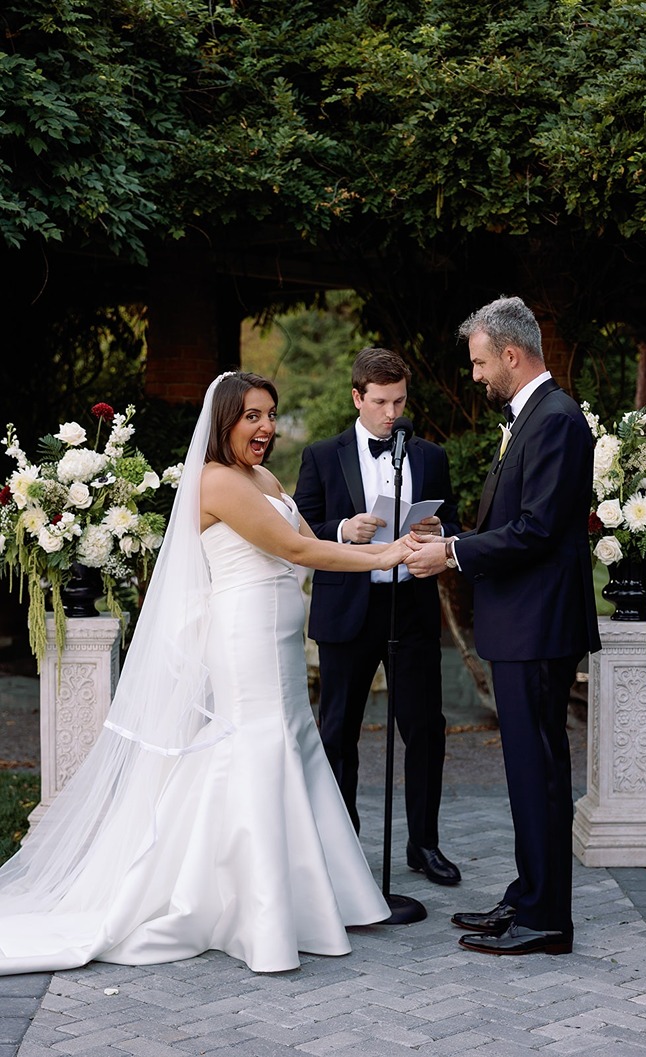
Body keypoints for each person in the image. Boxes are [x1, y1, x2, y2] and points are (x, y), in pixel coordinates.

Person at [0, 371, 412, 976]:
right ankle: (251, 911)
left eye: (271, 414)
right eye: (252, 416)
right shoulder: (216, 481)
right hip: (245, 636)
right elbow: (296, 552)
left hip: (278, 638)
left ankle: (312, 898)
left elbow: (308, 536)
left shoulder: (264, 478)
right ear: (224, 421)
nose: (267, 427)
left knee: (289, 743)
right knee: (255, 745)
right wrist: (387, 556)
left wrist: (384, 538)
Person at [404, 296, 601, 955]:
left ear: (511, 355)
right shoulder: (532, 418)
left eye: (480, 362)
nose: (476, 375)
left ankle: (547, 919)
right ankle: (528, 894)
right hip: (521, 622)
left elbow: (540, 529)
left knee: (538, 770)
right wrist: (453, 533)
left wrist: (452, 553)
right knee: (525, 769)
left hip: (537, 625)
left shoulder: (556, 420)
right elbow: (512, 522)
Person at [293, 347, 462, 886]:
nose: (392, 413)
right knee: (338, 731)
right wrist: (343, 531)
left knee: (425, 729)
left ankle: (424, 844)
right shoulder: (323, 455)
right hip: (348, 609)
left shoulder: (431, 456)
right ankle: (342, 848)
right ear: (357, 397)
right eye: (382, 402)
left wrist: (437, 534)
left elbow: (450, 521)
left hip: (409, 607)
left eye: (400, 401)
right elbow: (299, 531)